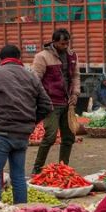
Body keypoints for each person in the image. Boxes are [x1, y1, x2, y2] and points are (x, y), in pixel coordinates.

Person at [0, 44, 52, 204]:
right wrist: (31, 122)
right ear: (19, 58)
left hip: (2, 134)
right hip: (22, 135)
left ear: (0, 59)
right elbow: (47, 106)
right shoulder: (31, 76)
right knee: (18, 177)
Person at [31, 29, 80, 172]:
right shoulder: (42, 57)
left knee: (69, 137)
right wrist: (42, 99)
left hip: (68, 102)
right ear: (54, 42)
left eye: (67, 43)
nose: (65, 46)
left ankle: (63, 167)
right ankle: (37, 167)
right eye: (62, 43)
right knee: (50, 136)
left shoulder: (72, 56)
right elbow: (36, 80)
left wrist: (75, 94)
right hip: (51, 103)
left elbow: (76, 76)